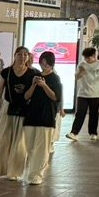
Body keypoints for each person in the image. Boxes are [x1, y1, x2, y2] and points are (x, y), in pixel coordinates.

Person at [0, 48, 34, 180]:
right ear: (14, 56)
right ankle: (0, 169)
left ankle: (14, 172)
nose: (22, 57)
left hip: (24, 108)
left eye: (25, 55)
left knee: (19, 142)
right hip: (8, 107)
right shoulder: (6, 72)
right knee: (2, 140)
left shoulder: (33, 73)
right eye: (19, 54)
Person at [21, 51, 63, 185]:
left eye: (46, 63)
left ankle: (36, 174)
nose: (44, 65)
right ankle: (31, 171)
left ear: (51, 63)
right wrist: (34, 84)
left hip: (46, 117)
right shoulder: (35, 76)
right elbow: (26, 96)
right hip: (31, 116)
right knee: (30, 146)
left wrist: (44, 85)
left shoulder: (55, 78)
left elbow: (55, 97)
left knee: (42, 147)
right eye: (42, 62)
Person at [68, 47, 99, 142]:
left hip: (96, 94)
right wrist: (81, 72)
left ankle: (93, 132)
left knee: (94, 114)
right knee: (80, 113)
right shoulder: (82, 64)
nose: (87, 59)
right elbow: (77, 77)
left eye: (89, 57)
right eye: (85, 57)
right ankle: (74, 133)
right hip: (82, 93)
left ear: (94, 55)